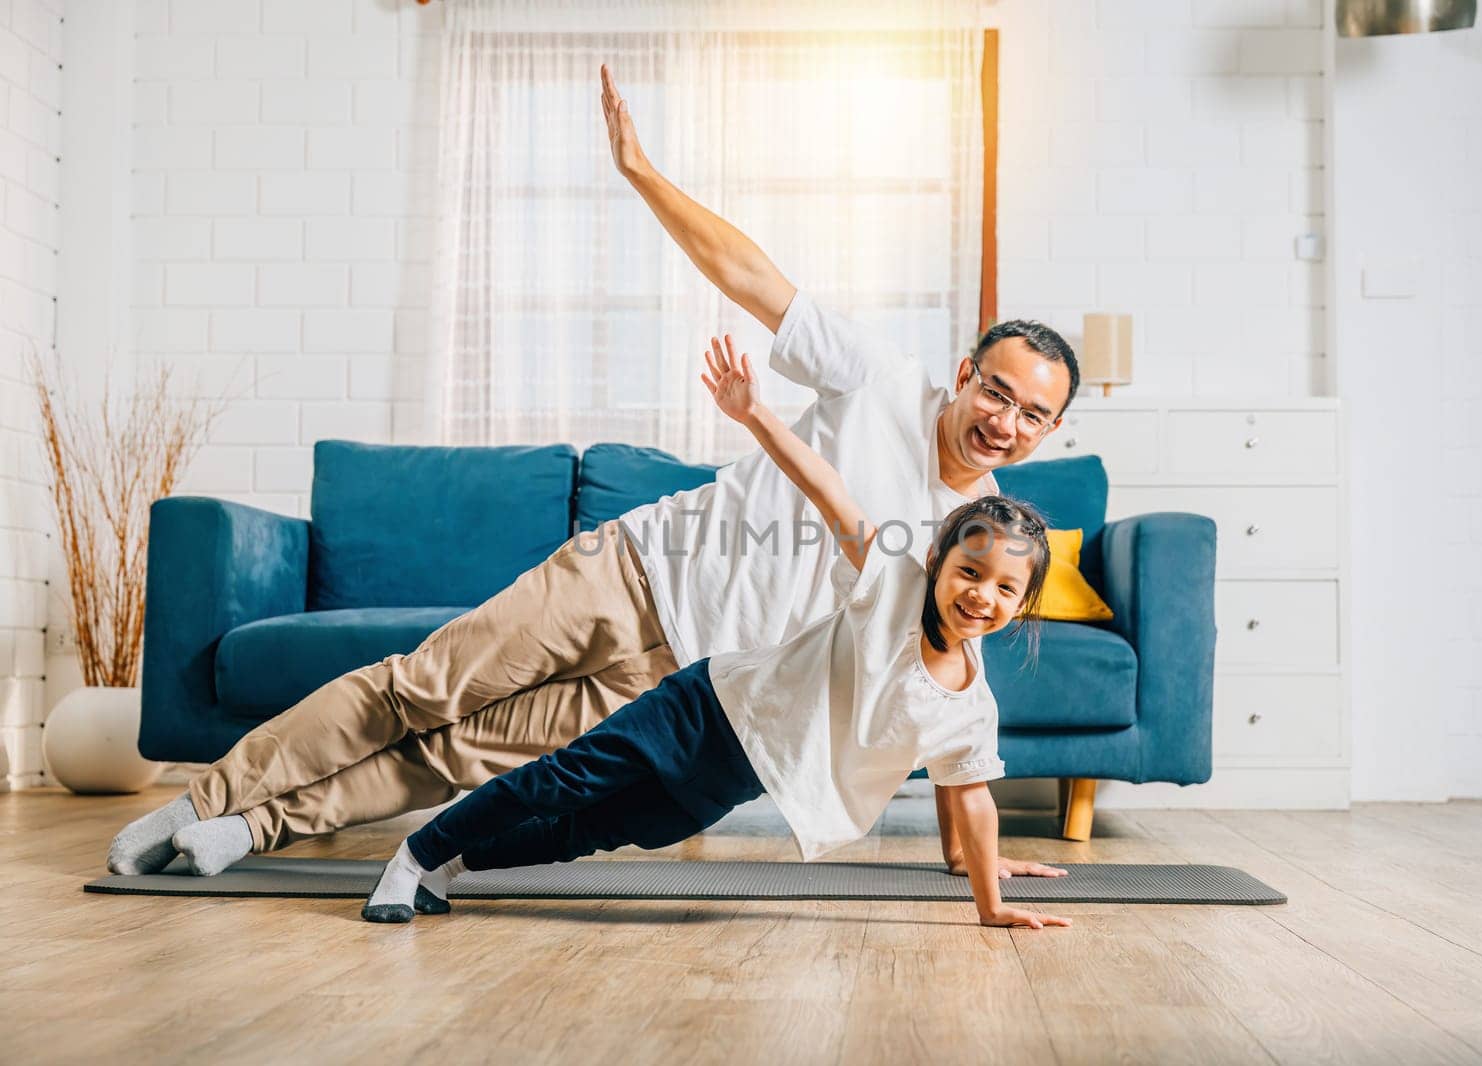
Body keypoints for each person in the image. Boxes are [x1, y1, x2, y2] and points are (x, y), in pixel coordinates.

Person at [107, 64, 1078, 881]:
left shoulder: (986, 535)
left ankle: (246, 830)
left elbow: (949, 680)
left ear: (1050, 429)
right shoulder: (877, 377)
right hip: (632, 573)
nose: (1006, 421)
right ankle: (205, 796)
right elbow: (751, 276)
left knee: (455, 756)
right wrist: (640, 171)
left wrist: (972, 856)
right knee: (421, 691)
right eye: (997, 391)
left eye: (1034, 413)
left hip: (686, 676)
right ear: (965, 374)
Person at [361, 346, 1071, 929]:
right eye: (970, 571)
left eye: (1005, 588)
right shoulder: (892, 579)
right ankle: (415, 856)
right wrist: (754, 411)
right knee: (568, 778)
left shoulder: (971, 703)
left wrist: (992, 905)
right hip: (708, 704)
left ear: (1022, 605)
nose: (982, 594)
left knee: (597, 829)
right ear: (938, 562)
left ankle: (456, 863)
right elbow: (827, 487)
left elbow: (971, 791)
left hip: (746, 768)